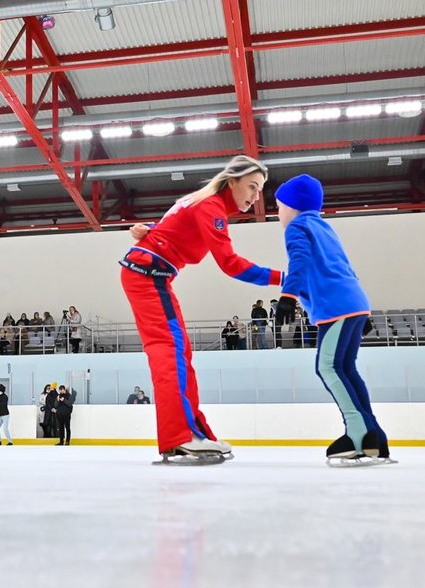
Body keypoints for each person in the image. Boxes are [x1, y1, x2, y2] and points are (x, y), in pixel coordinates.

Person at [121, 155, 282, 463]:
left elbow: (171, 229)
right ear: (231, 181)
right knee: (170, 353)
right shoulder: (211, 207)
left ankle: (186, 434)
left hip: (150, 274)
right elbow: (231, 265)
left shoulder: (200, 202)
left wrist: (150, 230)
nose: (255, 196)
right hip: (148, 275)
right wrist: (283, 278)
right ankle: (182, 435)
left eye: (259, 190)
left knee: (177, 353)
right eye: (251, 187)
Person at [274, 173, 389, 464]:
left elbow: (298, 261)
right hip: (353, 302)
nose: (278, 214)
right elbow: (343, 266)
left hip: (335, 307)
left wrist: (288, 297)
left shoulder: (297, 226)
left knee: (327, 367)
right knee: (345, 368)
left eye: (279, 206)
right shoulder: (324, 227)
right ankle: (374, 435)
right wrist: (366, 310)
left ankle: (358, 432)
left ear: (294, 206)